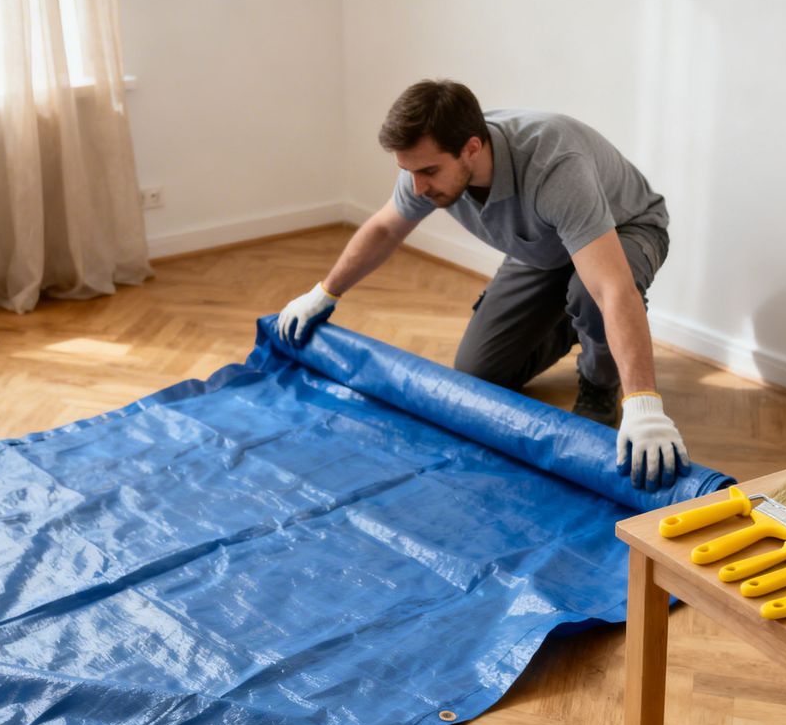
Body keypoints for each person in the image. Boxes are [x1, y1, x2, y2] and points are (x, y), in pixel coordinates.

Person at [276, 79, 688, 491]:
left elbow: (612, 289)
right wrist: (324, 292)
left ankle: (600, 379)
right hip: (541, 250)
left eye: (428, 172)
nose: (417, 187)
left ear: (472, 148)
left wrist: (644, 405)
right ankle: (577, 323)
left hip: (624, 230)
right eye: (408, 172)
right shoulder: (427, 163)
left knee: (591, 293)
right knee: (480, 373)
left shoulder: (554, 163)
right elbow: (385, 229)